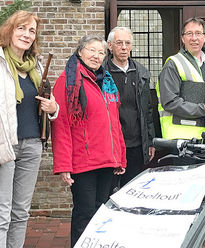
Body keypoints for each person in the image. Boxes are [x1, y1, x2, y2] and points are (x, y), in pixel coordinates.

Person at [0, 10, 58, 247]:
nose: (27, 34)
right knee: (0, 216)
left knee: (20, 214)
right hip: (3, 148)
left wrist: (53, 108)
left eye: (31, 30)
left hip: (32, 146)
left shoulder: (36, 68)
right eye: (21, 28)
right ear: (9, 31)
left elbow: (45, 108)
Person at [51, 34, 126, 247]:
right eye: (92, 50)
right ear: (80, 51)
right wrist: (64, 165)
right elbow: (62, 124)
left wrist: (120, 157)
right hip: (83, 162)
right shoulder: (68, 81)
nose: (96, 55)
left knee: (101, 213)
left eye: (101, 52)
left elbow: (115, 124)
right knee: (84, 214)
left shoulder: (107, 82)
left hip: (106, 159)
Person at [103, 26, 155, 186]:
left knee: (132, 189)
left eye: (127, 43)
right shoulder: (101, 73)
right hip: (110, 145)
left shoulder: (141, 73)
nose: (124, 47)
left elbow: (147, 110)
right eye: (119, 43)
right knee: (107, 192)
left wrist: (150, 140)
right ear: (110, 46)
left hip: (136, 145)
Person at [156, 17, 205, 140]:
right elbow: (170, 102)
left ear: (204, 37)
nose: (194, 38)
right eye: (189, 34)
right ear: (183, 38)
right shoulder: (173, 64)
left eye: (198, 33)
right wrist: (203, 109)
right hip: (183, 140)